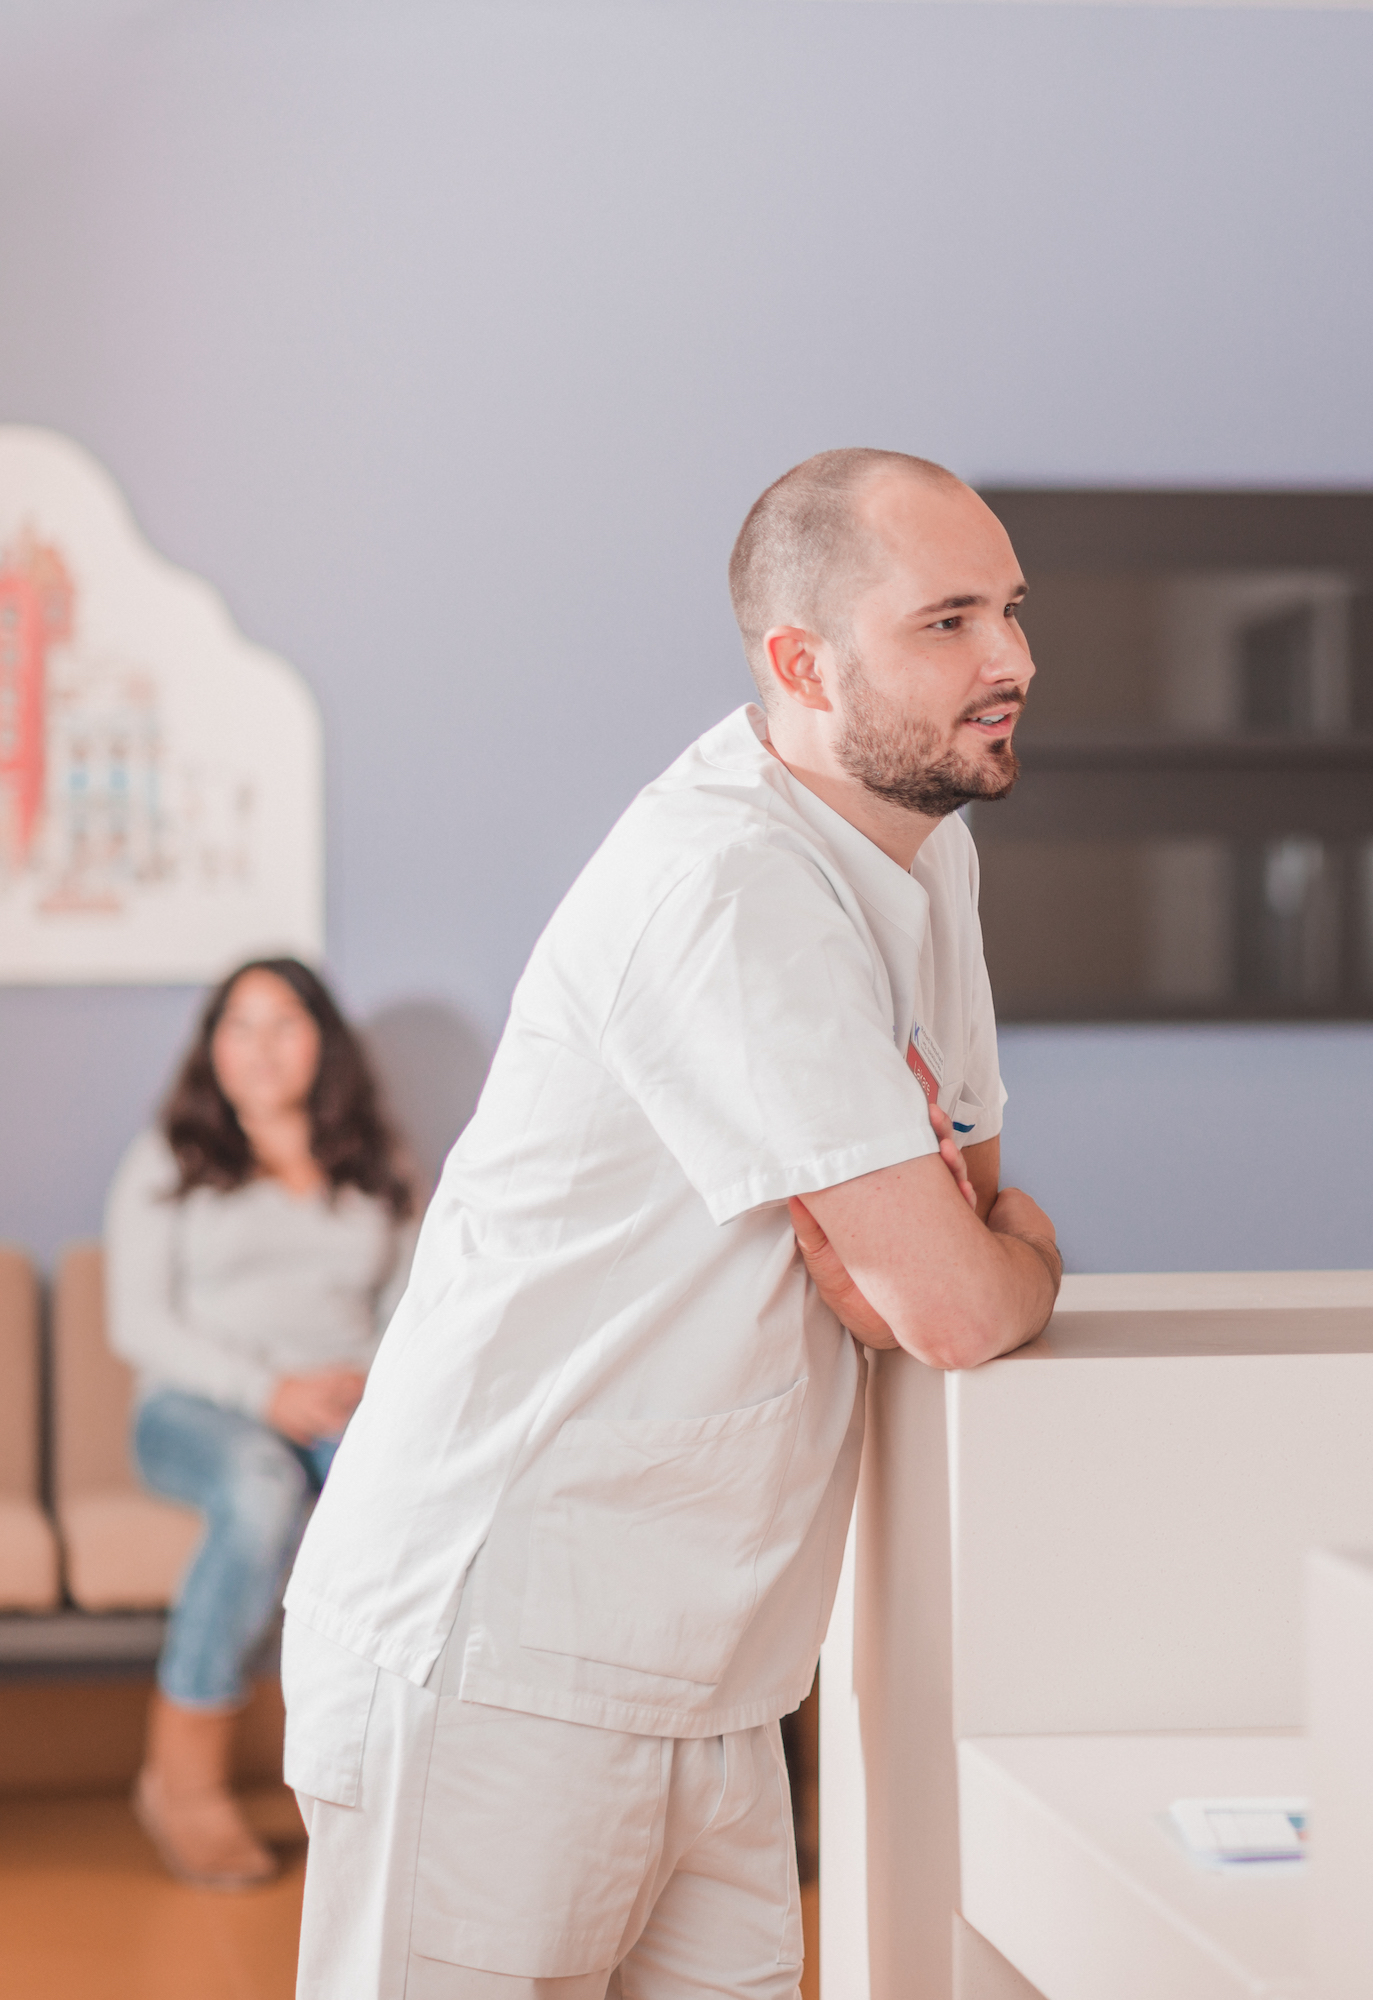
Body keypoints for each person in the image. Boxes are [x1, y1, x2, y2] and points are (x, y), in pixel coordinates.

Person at [280, 448, 1065, 1998]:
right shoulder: (725, 885)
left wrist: (972, 1253)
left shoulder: (929, 854)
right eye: (950, 621)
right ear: (800, 664)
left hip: (715, 1675)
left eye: (1015, 612)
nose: (1015, 661)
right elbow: (961, 1296)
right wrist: (1012, 1260)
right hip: (501, 1656)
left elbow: (948, 1231)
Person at [105, 958, 418, 1890]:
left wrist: (363, 1386)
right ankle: (184, 1782)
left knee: (409, 1512)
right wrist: (266, 1391)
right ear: (213, 1048)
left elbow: (417, 1307)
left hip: (346, 1405)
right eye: (238, 1027)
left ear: (324, 1040)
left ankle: (382, 1781)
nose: (260, 1047)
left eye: (284, 1023)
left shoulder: (381, 1161)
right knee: (260, 1486)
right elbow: (139, 1322)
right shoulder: (172, 1154)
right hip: (196, 1409)